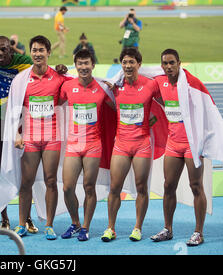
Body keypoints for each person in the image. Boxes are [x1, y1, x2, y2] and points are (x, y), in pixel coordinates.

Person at [101, 47, 162, 242]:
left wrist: (152, 119)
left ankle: (137, 227)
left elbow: (167, 102)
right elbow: (106, 101)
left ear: (139, 64)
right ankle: (110, 228)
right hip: (121, 144)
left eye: (131, 62)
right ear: (122, 65)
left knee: (141, 187)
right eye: (125, 62)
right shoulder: (115, 86)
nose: (128, 65)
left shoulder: (150, 85)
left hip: (142, 144)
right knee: (114, 188)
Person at [12, 35, 70, 240]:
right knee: (26, 182)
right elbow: (15, 108)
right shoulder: (22, 79)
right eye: (34, 50)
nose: (37, 54)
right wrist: (16, 133)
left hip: (52, 138)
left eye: (41, 50)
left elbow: (80, 86)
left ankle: (49, 224)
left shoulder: (59, 77)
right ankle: (21, 224)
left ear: (48, 52)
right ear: (31, 53)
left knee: (51, 180)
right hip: (30, 138)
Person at [0, 36, 36, 231]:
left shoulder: (25, 63)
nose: (0, 54)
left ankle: (26, 217)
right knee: (1, 170)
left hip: (21, 122)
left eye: (4, 49)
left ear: (12, 50)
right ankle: (4, 217)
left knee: (25, 170)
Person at [150, 49, 205, 246]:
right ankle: (168, 229)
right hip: (173, 144)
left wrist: (204, 141)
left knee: (196, 186)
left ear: (179, 63)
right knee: (168, 186)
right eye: (165, 63)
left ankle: (198, 232)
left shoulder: (192, 83)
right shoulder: (159, 83)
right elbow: (139, 83)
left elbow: (206, 108)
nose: (169, 67)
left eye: (172, 63)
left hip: (192, 143)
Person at [60, 49, 110, 241]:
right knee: (67, 188)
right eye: (79, 64)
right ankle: (75, 223)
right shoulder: (67, 86)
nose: (83, 67)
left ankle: (85, 227)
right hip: (73, 144)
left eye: (86, 63)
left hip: (93, 145)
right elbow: (52, 100)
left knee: (89, 187)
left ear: (93, 65)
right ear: (75, 65)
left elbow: (119, 105)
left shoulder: (103, 88)